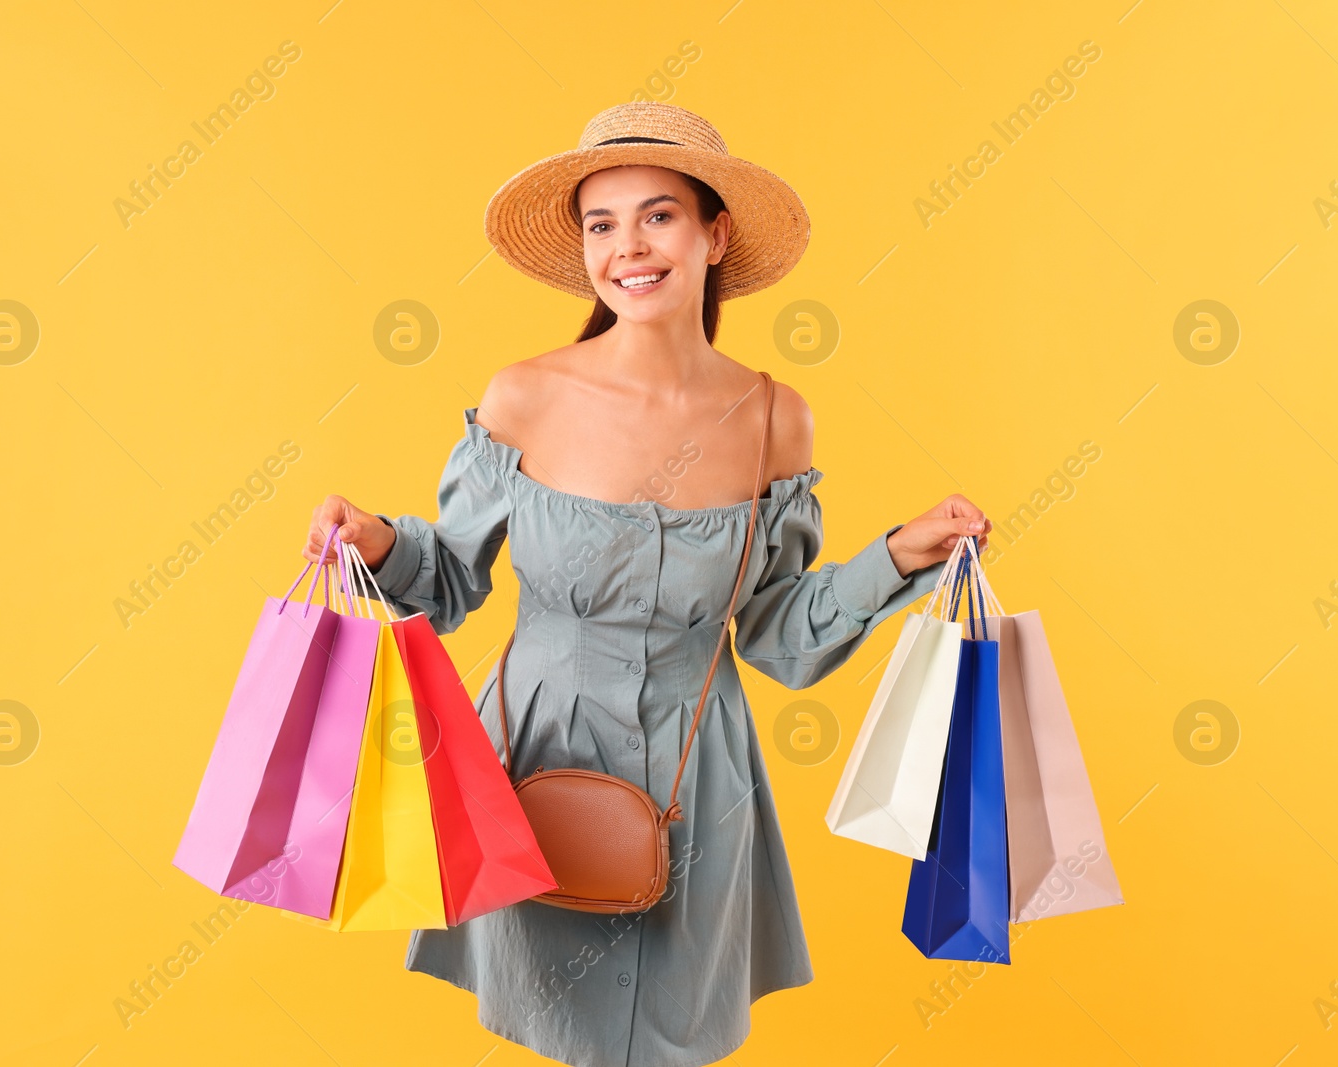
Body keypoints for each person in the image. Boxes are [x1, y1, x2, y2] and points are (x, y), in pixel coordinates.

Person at [303, 101, 992, 1067]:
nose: (628, 246)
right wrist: (376, 540)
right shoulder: (525, 395)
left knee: (672, 1034)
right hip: (531, 760)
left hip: (696, 778)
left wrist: (901, 556)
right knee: (558, 1027)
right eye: (601, 222)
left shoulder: (774, 420)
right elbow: (451, 584)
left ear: (715, 234)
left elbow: (778, 637)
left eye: (659, 214)